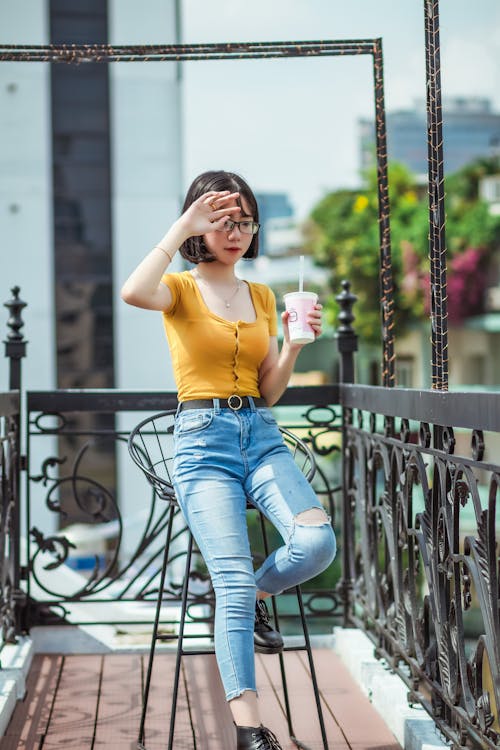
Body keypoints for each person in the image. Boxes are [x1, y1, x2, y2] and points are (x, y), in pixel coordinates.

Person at [121, 170, 336, 750]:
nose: (235, 231)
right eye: (221, 221)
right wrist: (179, 228)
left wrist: (292, 345)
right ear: (199, 225)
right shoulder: (180, 289)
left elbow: (268, 392)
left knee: (316, 545)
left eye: (243, 221)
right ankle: (250, 731)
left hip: (260, 433)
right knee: (231, 583)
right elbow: (132, 291)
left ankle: (257, 596)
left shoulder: (263, 295)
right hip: (203, 440)